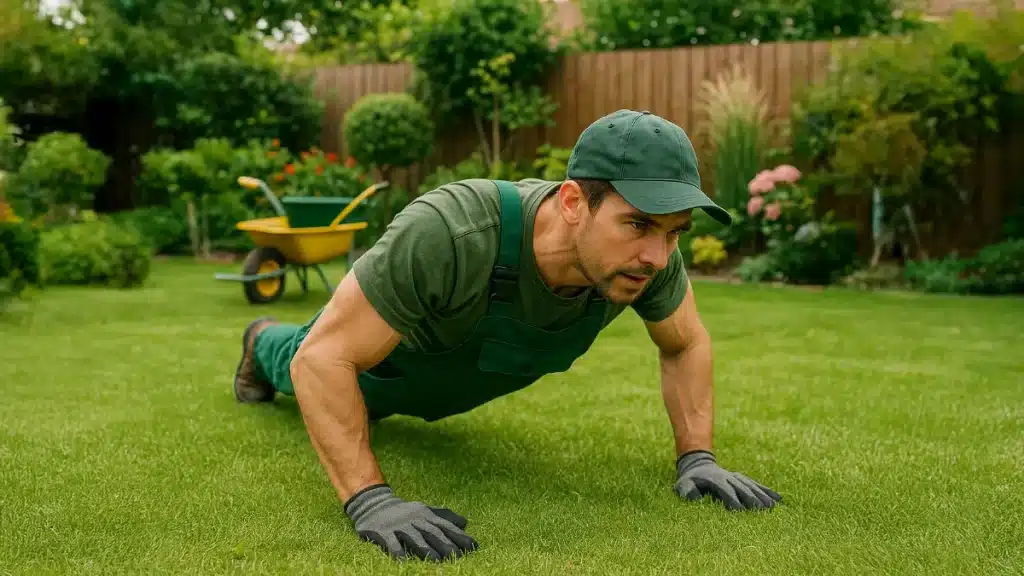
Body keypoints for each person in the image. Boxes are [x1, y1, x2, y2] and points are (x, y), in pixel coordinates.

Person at [231, 109, 782, 562]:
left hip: (433, 388)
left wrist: (698, 458)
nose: (657, 256)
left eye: (675, 232)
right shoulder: (452, 230)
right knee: (294, 355)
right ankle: (258, 340)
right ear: (572, 203)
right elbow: (324, 358)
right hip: (369, 366)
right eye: (638, 224)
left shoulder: (649, 262)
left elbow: (685, 341)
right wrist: (371, 501)